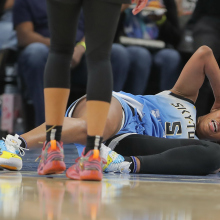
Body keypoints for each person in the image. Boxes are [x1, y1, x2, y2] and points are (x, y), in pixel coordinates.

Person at [1, 45, 220, 175]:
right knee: (95, 127)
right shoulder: (186, 97)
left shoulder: (197, 146)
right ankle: (14, 144)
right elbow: (204, 53)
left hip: (122, 143)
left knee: (214, 156)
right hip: (123, 110)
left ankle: (115, 163)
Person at [13, 0, 147, 127]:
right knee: (36, 52)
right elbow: (24, 35)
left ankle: (107, 127)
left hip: (83, 51)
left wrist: (81, 48)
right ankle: (46, 129)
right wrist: (63, 48)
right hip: (47, 50)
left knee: (117, 54)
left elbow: (99, 24)